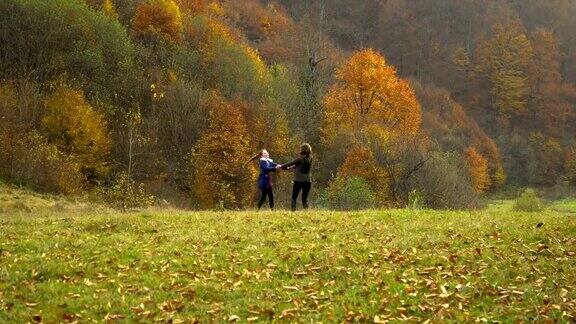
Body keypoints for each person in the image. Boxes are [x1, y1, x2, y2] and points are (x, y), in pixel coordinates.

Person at [281, 143, 313, 211]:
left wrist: (282, 166)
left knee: (294, 198)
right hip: (308, 181)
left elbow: (291, 163)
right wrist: (288, 168)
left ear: (302, 150)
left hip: (299, 181)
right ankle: (307, 212)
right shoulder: (310, 158)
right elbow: (297, 166)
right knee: (304, 199)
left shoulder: (300, 159)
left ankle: (293, 212)